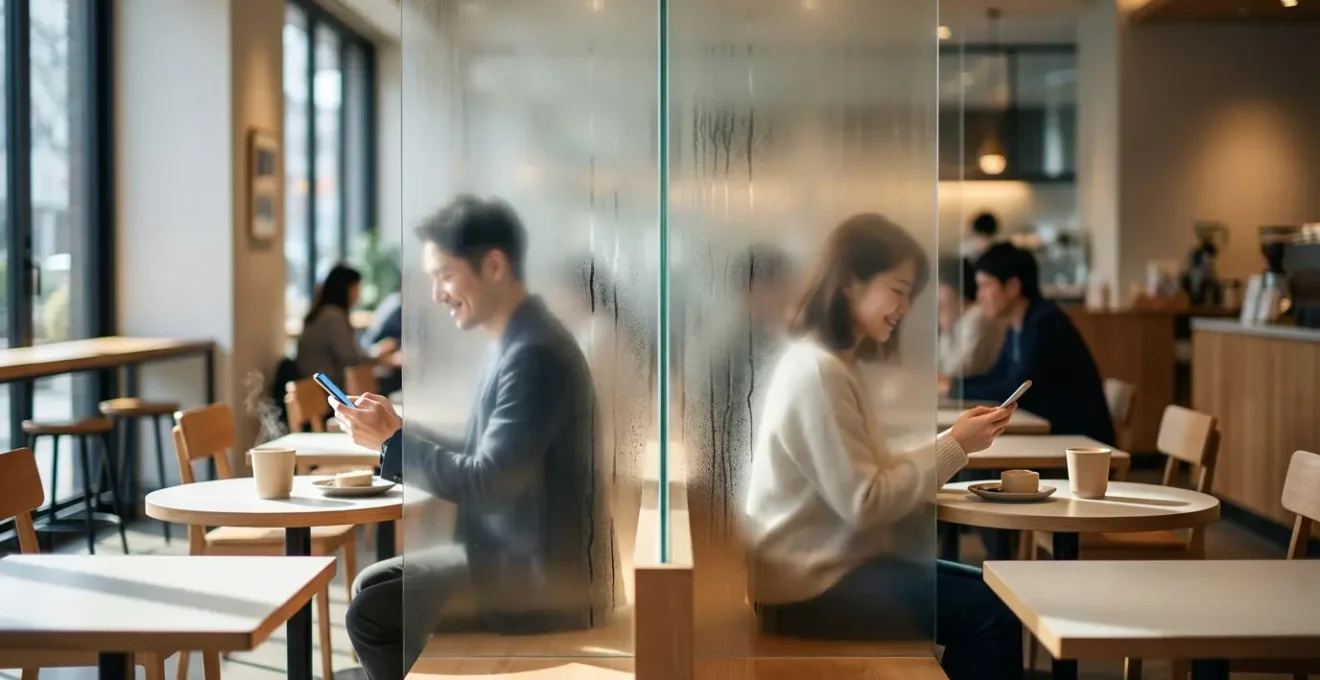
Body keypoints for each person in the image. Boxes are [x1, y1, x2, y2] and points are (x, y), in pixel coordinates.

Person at [330, 196, 613, 680]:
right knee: (371, 585)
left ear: (495, 266)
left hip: (545, 580)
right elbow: (486, 454)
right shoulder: (517, 340)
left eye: (444, 274)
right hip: (526, 555)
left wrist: (393, 445)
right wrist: (395, 430)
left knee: (371, 609)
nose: (437, 294)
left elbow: (490, 483)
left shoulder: (534, 354)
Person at [743, 213, 1024, 680]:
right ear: (852, 282)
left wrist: (954, 441)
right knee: (992, 613)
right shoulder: (818, 371)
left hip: (818, 573)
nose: (905, 308)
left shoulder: (825, 362)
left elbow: (867, 476)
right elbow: (866, 501)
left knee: (996, 595)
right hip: (810, 589)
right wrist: (955, 445)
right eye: (897, 290)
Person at [949, 243, 1115, 444]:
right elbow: (997, 376)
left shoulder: (1045, 323)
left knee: (977, 460)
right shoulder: (1018, 325)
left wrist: (955, 389)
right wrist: (954, 386)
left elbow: (1016, 389)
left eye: (985, 285)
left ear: (1012, 287)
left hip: (1078, 446)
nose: (979, 296)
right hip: (1052, 436)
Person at [296, 264, 394, 388]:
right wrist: (380, 358)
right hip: (328, 390)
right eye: (356, 288)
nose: (358, 294)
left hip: (317, 387)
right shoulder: (333, 317)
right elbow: (351, 359)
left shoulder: (323, 313)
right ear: (345, 288)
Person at [937, 256, 1005, 379]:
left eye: (939, 285)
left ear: (953, 286)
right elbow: (940, 366)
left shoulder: (977, 316)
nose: (936, 292)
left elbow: (956, 370)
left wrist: (947, 330)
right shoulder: (958, 315)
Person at [361, 290, 403, 395]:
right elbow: (387, 343)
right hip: (379, 364)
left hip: (374, 359)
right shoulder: (399, 306)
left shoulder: (393, 300)